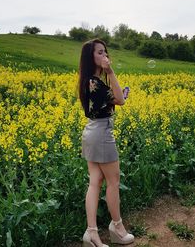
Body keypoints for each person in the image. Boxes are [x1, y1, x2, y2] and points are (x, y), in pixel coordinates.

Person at [78, 39, 135, 247]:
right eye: (99, 53)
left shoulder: (87, 81)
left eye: (105, 52)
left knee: (95, 182)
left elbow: (112, 99)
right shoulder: (97, 82)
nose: (105, 56)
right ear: (90, 57)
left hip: (91, 131)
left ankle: (91, 233)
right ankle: (117, 228)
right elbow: (120, 100)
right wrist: (110, 72)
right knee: (113, 182)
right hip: (102, 133)